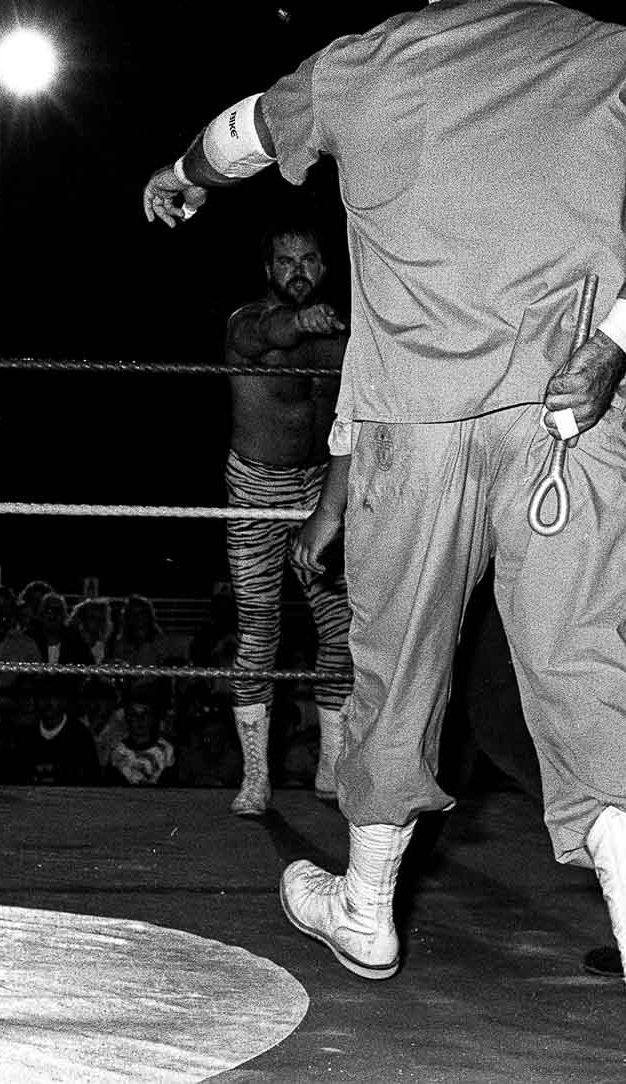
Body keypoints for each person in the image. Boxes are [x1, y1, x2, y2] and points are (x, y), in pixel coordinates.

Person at [141, 0, 626, 1082]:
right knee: (597, 674)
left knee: (390, 664)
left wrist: (177, 176)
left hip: (403, 430)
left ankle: (364, 905)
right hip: (565, 417)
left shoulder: (356, 61)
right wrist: (613, 338)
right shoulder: (621, 51)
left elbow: (224, 139)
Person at [221, 221, 354, 816]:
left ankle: (330, 770)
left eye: (307, 259)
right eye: (284, 261)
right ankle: (254, 778)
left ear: (323, 267)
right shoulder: (245, 322)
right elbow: (259, 336)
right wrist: (300, 323)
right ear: (268, 270)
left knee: (340, 625)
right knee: (258, 626)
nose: (296, 270)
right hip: (255, 484)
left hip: (320, 485)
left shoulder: (347, 335)